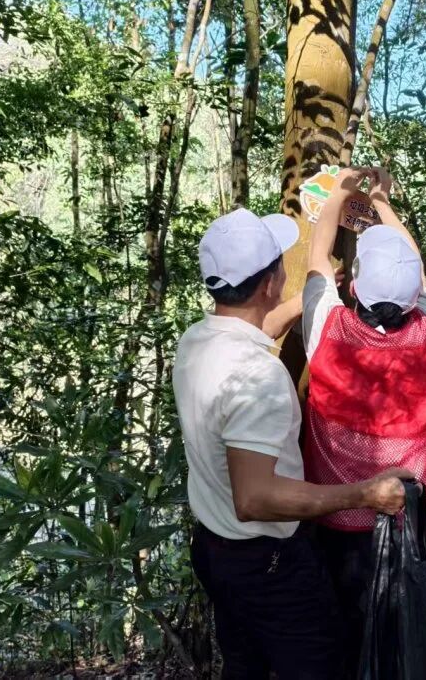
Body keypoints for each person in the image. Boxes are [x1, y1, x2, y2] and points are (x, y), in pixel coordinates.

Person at [173, 207, 411, 680]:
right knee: (321, 665)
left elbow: (256, 330)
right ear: (269, 283)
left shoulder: (198, 340)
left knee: (245, 665)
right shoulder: (257, 375)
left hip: (215, 549)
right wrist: (365, 494)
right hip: (266, 562)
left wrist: (311, 298)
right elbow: (255, 498)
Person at [302, 167, 426, 678]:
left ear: (354, 284)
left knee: (352, 647)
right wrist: (381, 202)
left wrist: (339, 191)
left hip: (341, 524)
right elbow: (414, 272)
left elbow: (317, 260)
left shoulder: (328, 329)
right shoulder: (425, 331)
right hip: (414, 522)